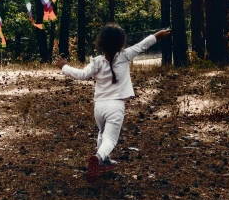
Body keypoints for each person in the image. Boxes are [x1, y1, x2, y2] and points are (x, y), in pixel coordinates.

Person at [56, 23, 171, 181]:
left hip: (99, 106)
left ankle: (103, 161)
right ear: (121, 44)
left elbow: (82, 74)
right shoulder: (125, 55)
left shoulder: (96, 61)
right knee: (110, 139)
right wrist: (157, 35)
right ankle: (99, 157)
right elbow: (143, 45)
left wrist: (65, 67)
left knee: (102, 133)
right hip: (116, 106)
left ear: (100, 42)